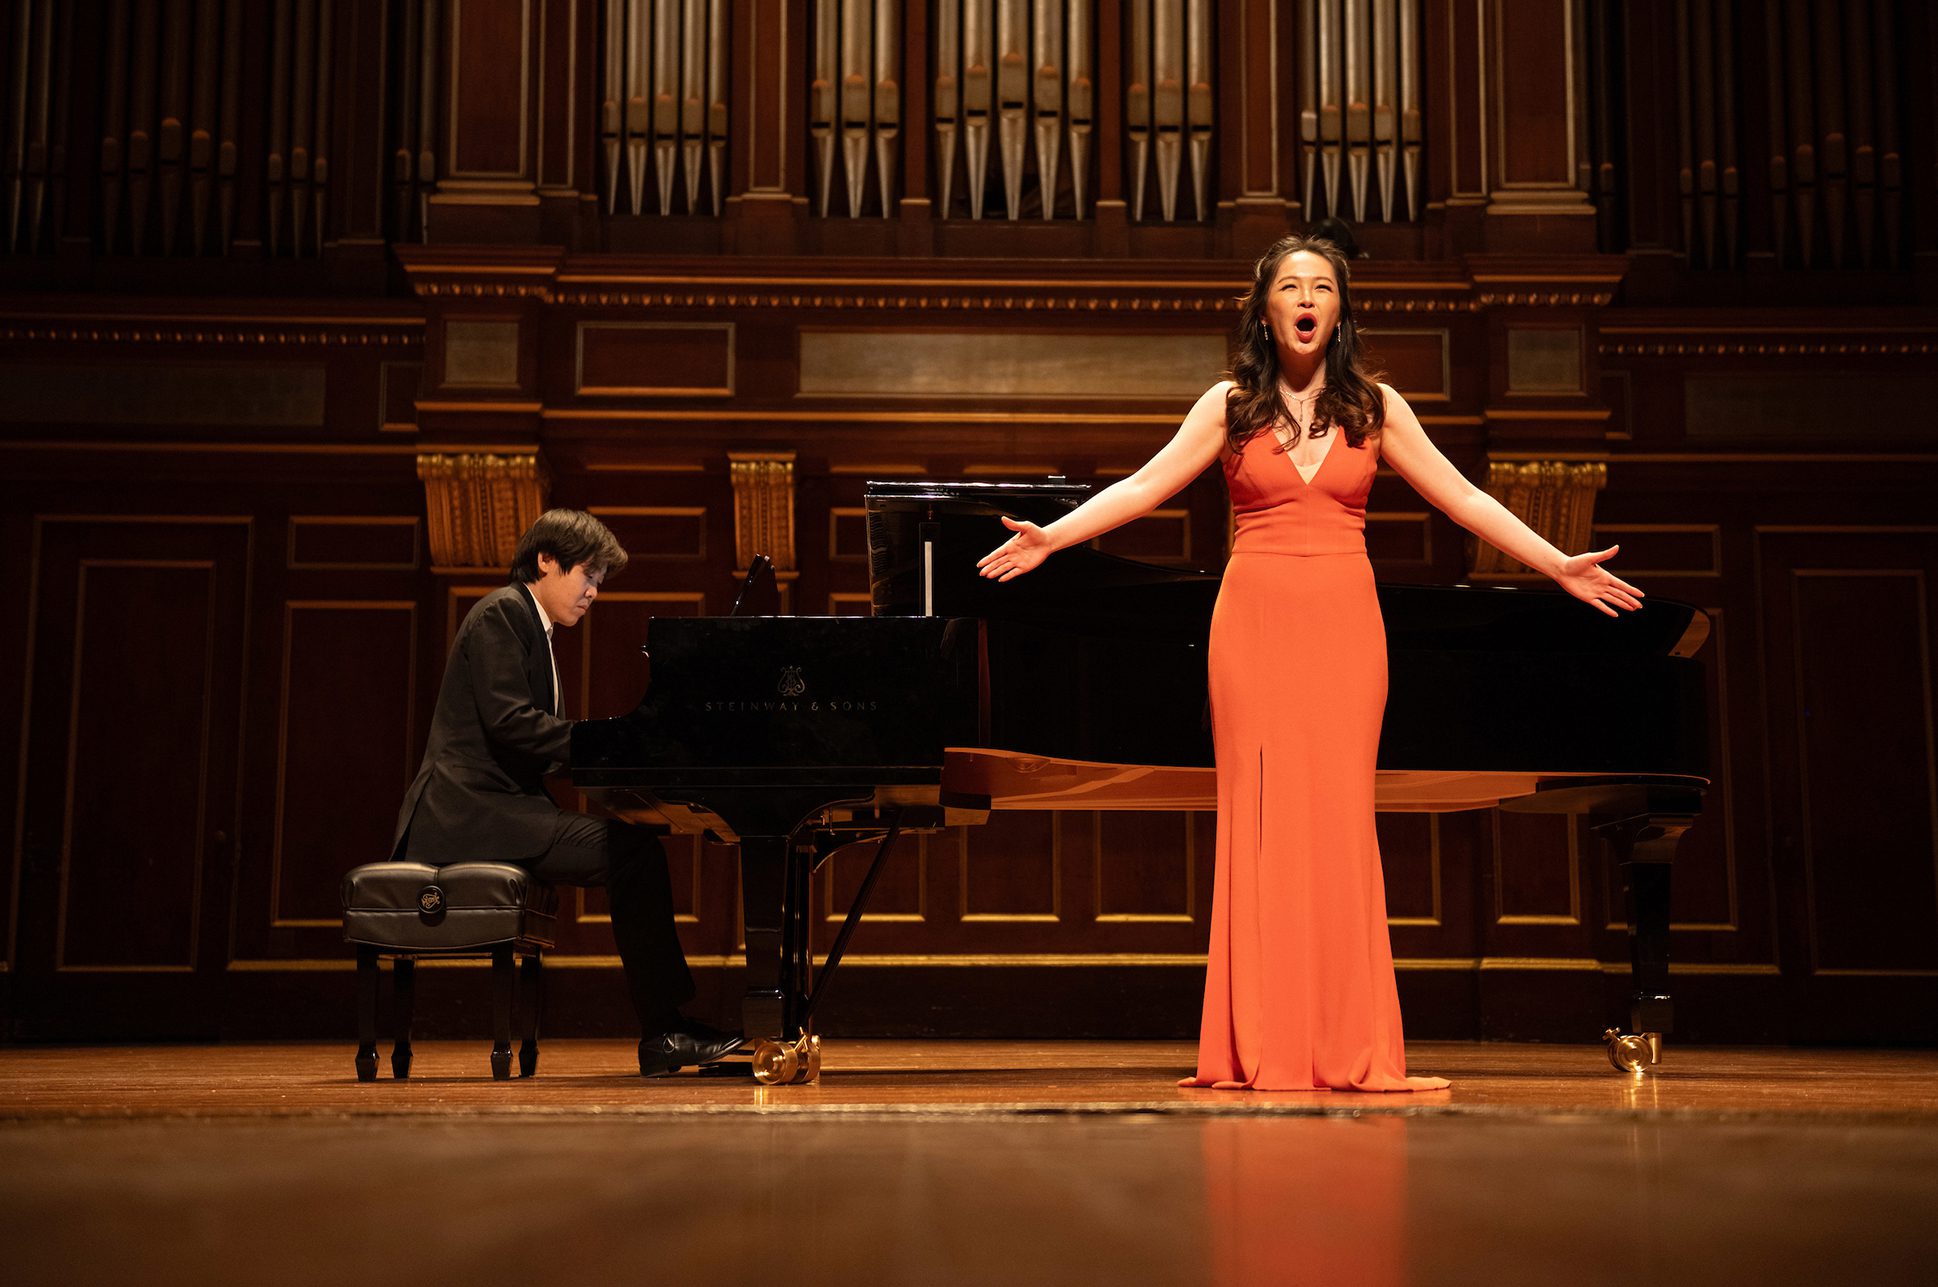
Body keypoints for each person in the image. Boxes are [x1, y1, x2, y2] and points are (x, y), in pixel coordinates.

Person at [977, 234, 1643, 1091]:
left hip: (1344, 627)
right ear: (1265, 309)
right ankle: (1262, 1042)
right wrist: (1054, 538)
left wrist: (1557, 563)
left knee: (1337, 822)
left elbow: (1466, 497)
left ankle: (1342, 1042)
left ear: (1338, 309)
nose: (1305, 297)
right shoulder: (1228, 407)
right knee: (1258, 827)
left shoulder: (1377, 406)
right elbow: (1143, 486)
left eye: (1321, 286)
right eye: (1290, 285)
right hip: (1251, 626)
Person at [391, 508, 741, 1077]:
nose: (594, 592)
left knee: (635, 849)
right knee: (632, 854)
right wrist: (607, 742)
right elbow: (511, 724)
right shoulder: (502, 614)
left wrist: (619, 763)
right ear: (545, 561)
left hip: (497, 807)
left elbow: (532, 743)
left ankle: (669, 1027)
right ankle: (666, 1030)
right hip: (466, 814)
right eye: (588, 574)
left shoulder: (530, 624)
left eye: (600, 581)